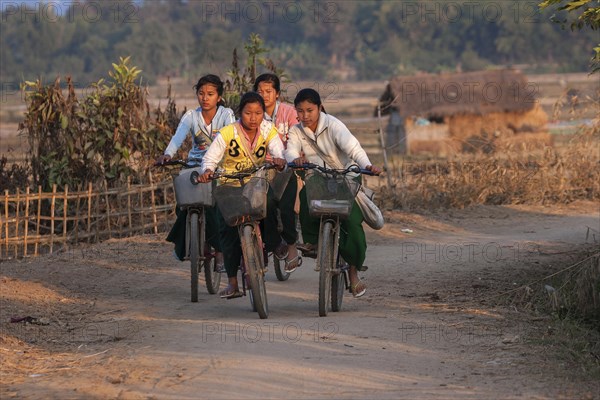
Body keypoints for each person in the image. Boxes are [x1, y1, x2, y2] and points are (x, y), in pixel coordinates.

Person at [285, 88, 383, 298]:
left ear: (320, 108)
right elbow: (290, 150)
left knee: (352, 221)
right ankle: (312, 241)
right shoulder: (296, 131)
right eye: (300, 111)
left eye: (309, 110)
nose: (305, 115)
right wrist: (295, 159)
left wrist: (367, 165)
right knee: (305, 198)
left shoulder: (334, 125)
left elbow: (354, 149)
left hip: (346, 175)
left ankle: (354, 272)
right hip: (318, 177)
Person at [198, 92, 286, 299]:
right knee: (227, 230)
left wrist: (280, 160)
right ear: (240, 113)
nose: (253, 118)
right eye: (248, 113)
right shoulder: (227, 133)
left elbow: (278, 150)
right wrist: (207, 170)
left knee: (272, 201)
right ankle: (233, 283)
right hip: (229, 185)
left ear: (263, 114)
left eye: (258, 113)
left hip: (256, 183)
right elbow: (210, 157)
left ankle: (274, 242)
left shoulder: (268, 130)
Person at [155, 75, 235, 269]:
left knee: (216, 206)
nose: (205, 98)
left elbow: (232, 136)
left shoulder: (226, 115)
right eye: (201, 93)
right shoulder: (191, 116)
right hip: (194, 164)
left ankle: (221, 251)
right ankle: (186, 243)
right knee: (183, 203)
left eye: (210, 94)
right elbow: (178, 137)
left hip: (219, 167)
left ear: (219, 97)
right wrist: (167, 154)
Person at [253, 73, 300, 273]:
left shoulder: (288, 112)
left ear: (277, 94)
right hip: (261, 168)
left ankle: (292, 248)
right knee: (263, 204)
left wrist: (294, 158)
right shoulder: (253, 114)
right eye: (260, 91)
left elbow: (298, 137)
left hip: (288, 167)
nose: (264, 95)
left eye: (268, 91)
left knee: (288, 206)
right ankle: (271, 243)